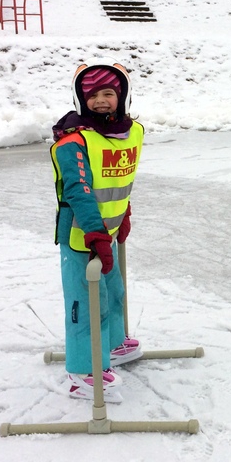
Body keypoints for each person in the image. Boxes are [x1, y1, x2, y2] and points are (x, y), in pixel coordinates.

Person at [50, 59, 145, 402]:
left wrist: (125, 212)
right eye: (92, 95)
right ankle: (83, 371)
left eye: (108, 93)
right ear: (80, 100)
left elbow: (120, 177)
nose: (101, 100)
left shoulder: (130, 132)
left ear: (122, 96)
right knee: (87, 303)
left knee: (114, 292)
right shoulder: (73, 142)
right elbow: (79, 190)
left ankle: (113, 345)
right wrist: (94, 233)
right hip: (82, 236)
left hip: (109, 231)